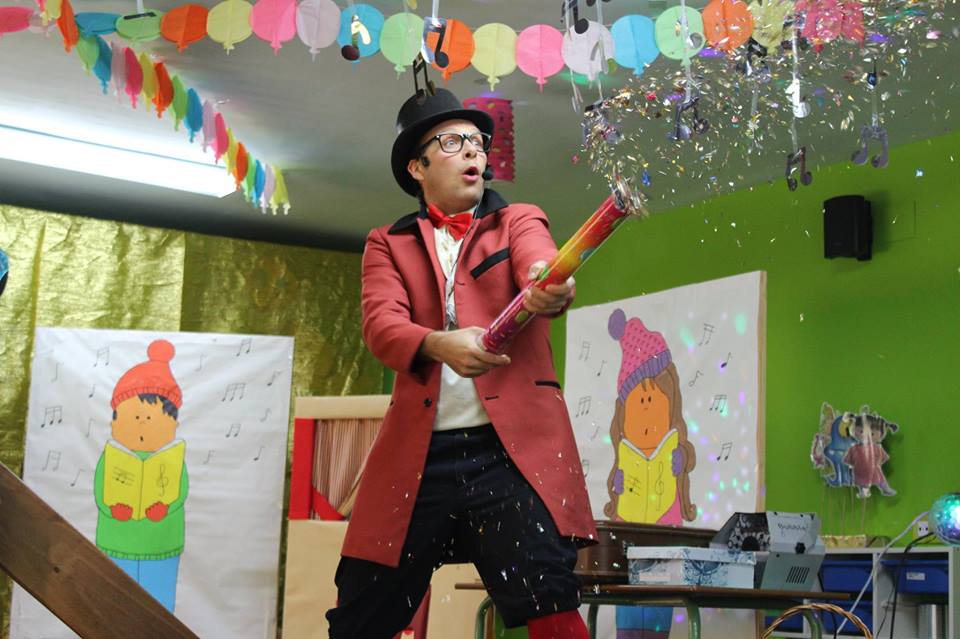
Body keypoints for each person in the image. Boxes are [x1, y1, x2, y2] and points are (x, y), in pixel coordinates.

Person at [326, 85, 597, 639]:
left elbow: (539, 261)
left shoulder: (518, 219)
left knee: (549, 597)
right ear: (417, 167)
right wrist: (439, 345)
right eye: (452, 142)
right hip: (417, 456)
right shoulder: (387, 243)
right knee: (361, 612)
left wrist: (548, 283)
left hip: (510, 455)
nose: (473, 150)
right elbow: (382, 327)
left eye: (477, 141)